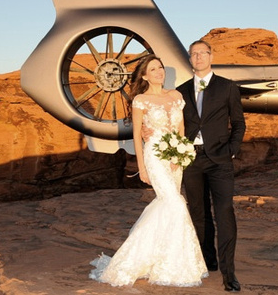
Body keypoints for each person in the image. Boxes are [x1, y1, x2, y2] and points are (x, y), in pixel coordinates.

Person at [89, 54, 208, 287]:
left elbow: (181, 127)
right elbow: (136, 134)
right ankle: (172, 265)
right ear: (144, 75)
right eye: (153, 69)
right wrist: (141, 167)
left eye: (161, 67)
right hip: (154, 154)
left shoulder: (176, 96)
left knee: (167, 205)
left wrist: (181, 155)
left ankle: (157, 259)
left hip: (176, 155)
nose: (159, 71)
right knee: (175, 203)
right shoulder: (141, 100)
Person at [177, 40, 246, 292]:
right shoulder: (181, 91)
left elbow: (239, 123)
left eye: (202, 53)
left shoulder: (227, 87)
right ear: (189, 58)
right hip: (191, 159)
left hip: (220, 160)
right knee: (199, 213)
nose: (198, 57)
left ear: (210, 56)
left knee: (224, 213)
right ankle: (208, 260)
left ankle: (229, 274)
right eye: (193, 54)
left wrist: (231, 150)